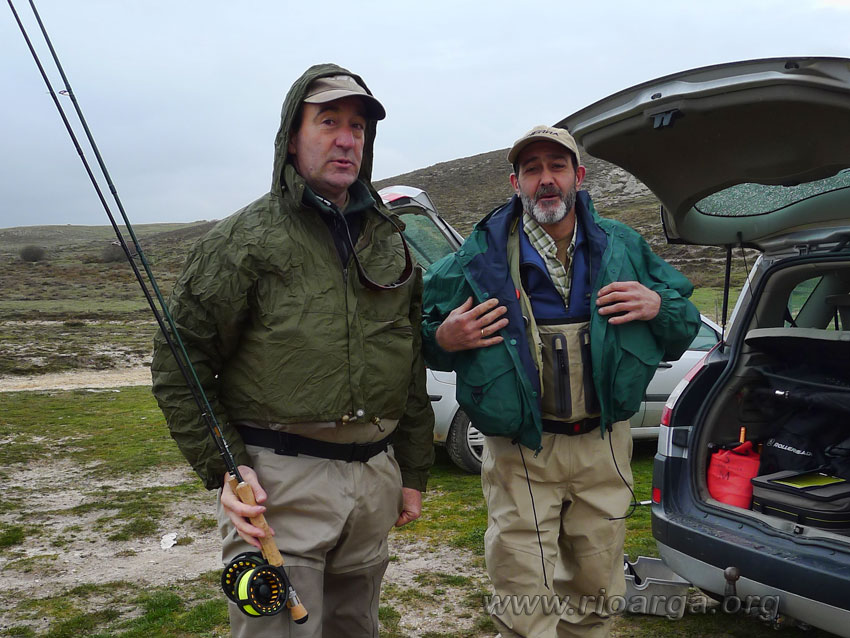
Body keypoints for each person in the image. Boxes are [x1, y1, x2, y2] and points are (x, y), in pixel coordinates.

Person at [151, 63, 434, 638]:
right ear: (291, 137)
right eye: (328, 121)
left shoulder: (388, 239)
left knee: (358, 627)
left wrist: (413, 470)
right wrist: (226, 469)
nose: (346, 138)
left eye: (357, 126)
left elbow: (408, 363)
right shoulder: (239, 242)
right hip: (279, 486)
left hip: (374, 478)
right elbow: (181, 366)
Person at [420, 125, 701, 638]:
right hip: (519, 451)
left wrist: (660, 306)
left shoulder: (624, 245)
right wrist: (445, 336)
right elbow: (417, 333)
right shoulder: (477, 256)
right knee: (523, 603)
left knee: (597, 595)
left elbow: (683, 323)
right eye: (532, 170)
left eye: (556, 166)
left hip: (603, 446)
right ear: (515, 182)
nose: (545, 180)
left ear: (578, 175)